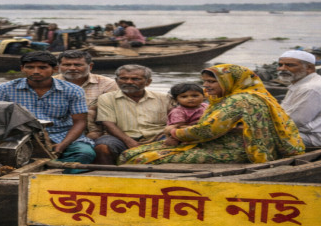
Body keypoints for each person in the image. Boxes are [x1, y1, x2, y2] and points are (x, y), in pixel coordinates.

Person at [123, 64, 305, 165]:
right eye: (205, 82)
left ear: (229, 81)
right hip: (222, 144)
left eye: (212, 82)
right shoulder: (251, 94)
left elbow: (207, 131)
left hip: (238, 150)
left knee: (140, 158)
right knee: (131, 153)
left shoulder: (238, 100)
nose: (206, 86)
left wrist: (173, 132)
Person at [0, 51, 96, 171]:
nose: (36, 71)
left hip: (61, 136)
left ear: (55, 69)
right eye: (30, 67)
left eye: (42, 67)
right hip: (20, 137)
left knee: (85, 153)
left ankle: (56, 177)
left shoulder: (73, 90)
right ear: (22, 68)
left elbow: (80, 122)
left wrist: (63, 145)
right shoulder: (4, 89)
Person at [93, 64, 172, 165]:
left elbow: (174, 121)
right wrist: (129, 141)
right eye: (124, 78)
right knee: (102, 147)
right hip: (120, 137)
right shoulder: (106, 98)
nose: (129, 82)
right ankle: (108, 176)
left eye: (135, 79)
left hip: (157, 136)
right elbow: (108, 124)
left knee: (176, 142)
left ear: (148, 82)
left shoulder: (164, 98)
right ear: (117, 81)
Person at [54, 50, 117, 140]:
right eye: (67, 65)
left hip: (96, 132)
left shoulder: (108, 84)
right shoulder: (50, 83)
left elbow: (113, 112)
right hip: (59, 130)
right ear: (59, 67)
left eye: (78, 65)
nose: (72, 68)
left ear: (90, 66)